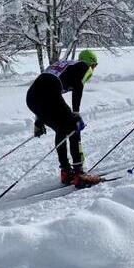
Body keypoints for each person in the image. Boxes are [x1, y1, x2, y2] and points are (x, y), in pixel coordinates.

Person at [26, 49, 102, 188]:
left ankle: (66, 172)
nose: (93, 70)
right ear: (90, 63)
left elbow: (42, 92)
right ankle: (80, 173)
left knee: (61, 128)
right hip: (48, 94)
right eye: (94, 65)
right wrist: (76, 113)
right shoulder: (83, 66)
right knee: (74, 127)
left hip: (31, 97)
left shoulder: (63, 64)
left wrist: (38, 122)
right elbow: (78, 86)